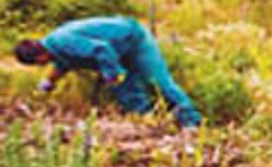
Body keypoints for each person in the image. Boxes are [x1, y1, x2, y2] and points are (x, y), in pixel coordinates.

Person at [14, 16, 202, 130]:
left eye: (38, 65)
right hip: (117, 51)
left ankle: (192, 122)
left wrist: (112, 74)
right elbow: (63, 64)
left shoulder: (62, 41)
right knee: (127, 93)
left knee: (160, 82)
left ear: (39, 58)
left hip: (133, 40)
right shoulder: (54, 48)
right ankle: (149, 122)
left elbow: (101, 49)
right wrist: (48, 82)